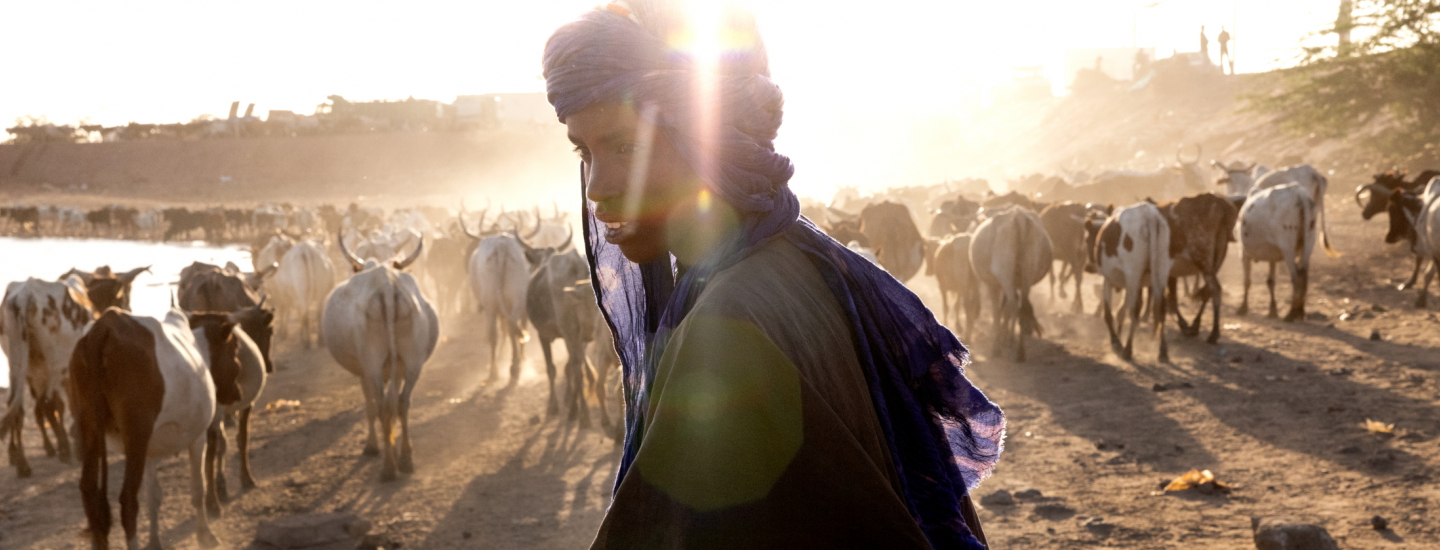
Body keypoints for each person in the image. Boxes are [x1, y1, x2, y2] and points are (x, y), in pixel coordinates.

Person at [542, 1, 1005, 548]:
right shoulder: (804, 265)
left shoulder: (726, 326)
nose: (596, 186)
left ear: (712, 142)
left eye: (625, 145)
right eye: (584, 152)